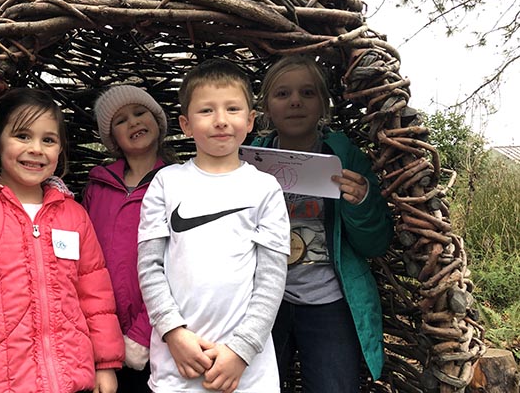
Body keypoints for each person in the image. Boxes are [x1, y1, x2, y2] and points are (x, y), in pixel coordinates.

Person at [0, 88, 125, 393]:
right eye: (22, 136)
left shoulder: (73, 215)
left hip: (73, 379)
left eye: (48, 140)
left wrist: (105, 364)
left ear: (60, 149)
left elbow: (94, 293)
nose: (36, 149)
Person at [137, 59, 291, 393]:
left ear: (250, 121)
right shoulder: (166, 183)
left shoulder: (265, 188)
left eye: (233, 109)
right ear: (186, 124)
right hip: (176, 364)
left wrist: (241, 350)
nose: (221, 121)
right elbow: (149, 267)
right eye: (206, 111)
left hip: (248, 373)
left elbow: (272, 278)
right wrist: (174, 334)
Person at [252, 55, 394, 392]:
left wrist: (361, 202)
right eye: (282, 94)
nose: (296, 101)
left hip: (329, 302)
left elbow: (376, 244)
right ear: (266, 107)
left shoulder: (345, 157)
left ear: (323, 106)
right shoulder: (251, 159)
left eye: (308, 93)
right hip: (264, 302)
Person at [82, 85, 177, 391]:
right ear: (112, 138)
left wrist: (140, 334)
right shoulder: (98, 187)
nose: (133, 122)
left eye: (139, 113)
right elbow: (83, 261)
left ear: (158, 122)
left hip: (159, 335)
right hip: (100, 335)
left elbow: (180, 268)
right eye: (121, 120)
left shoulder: (178, 183)